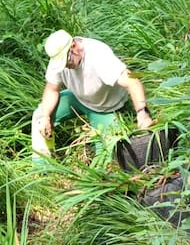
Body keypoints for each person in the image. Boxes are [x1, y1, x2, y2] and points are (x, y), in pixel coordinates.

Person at [31, 29, 155, 160]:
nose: (66, 66)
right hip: (77, 98)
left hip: (105, 107)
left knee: (109, 154)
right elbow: (52, 89)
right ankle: (43, 165)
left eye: (67, 61)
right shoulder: (59, 59)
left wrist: (143, 114)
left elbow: (132, 82)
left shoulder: (97, 55)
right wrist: (46, 117)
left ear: (74, 46)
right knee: (40, 116)